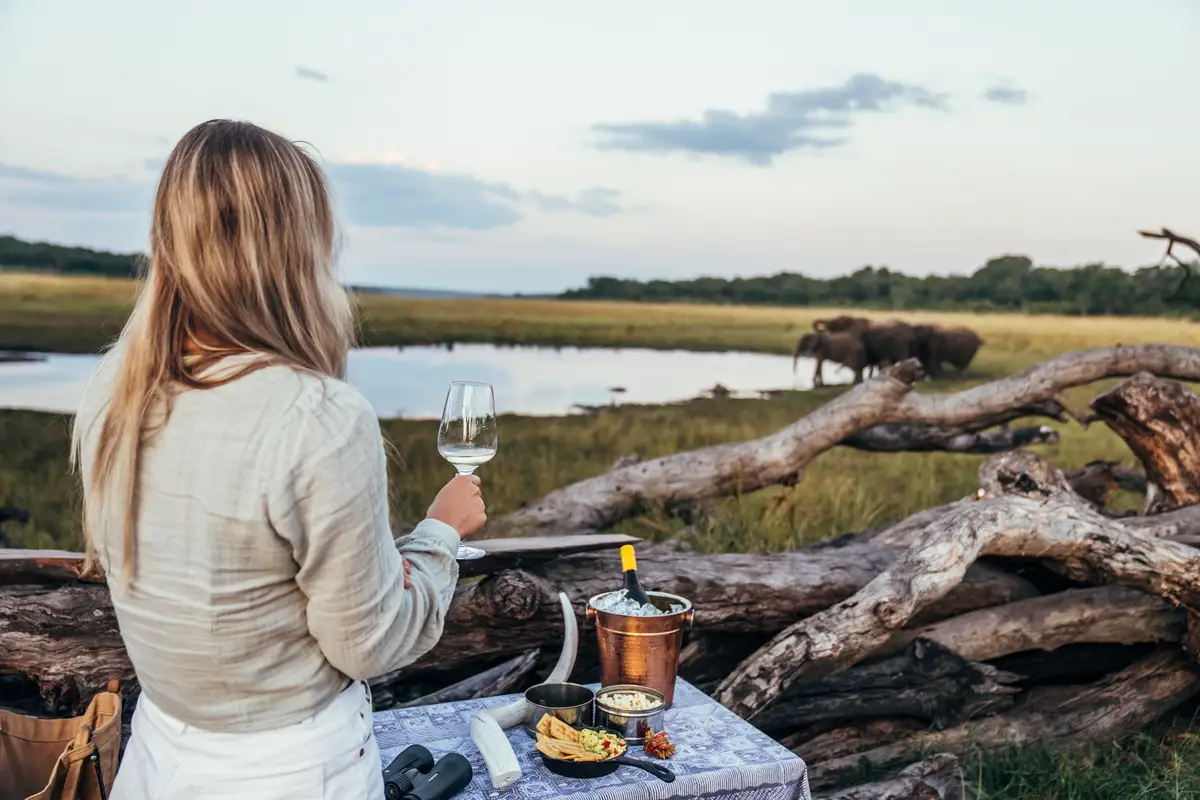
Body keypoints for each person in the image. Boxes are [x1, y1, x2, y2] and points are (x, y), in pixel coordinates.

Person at [71, 119, 486, 799]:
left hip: (158, 756)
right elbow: (371, 644)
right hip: (293, 771)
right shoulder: (316, 417)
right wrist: (440, 534)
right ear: (296, 251)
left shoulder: (114, 396)